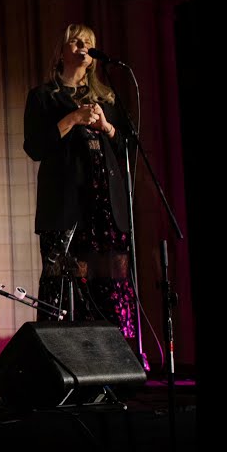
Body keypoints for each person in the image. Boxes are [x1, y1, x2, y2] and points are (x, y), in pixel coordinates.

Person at [23, 23, 134, 335]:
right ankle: (65, 365)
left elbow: (128, 147)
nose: (83, 46)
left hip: (106, 208)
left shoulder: (108, 98)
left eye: (88, 42)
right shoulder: (43, 97)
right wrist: (72, 119)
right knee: (66, 283)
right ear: (61, 50)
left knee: (111, 284)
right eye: (76, 42)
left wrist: (107, 128)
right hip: (67, 208)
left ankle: (116, 361)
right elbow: (34, 147)